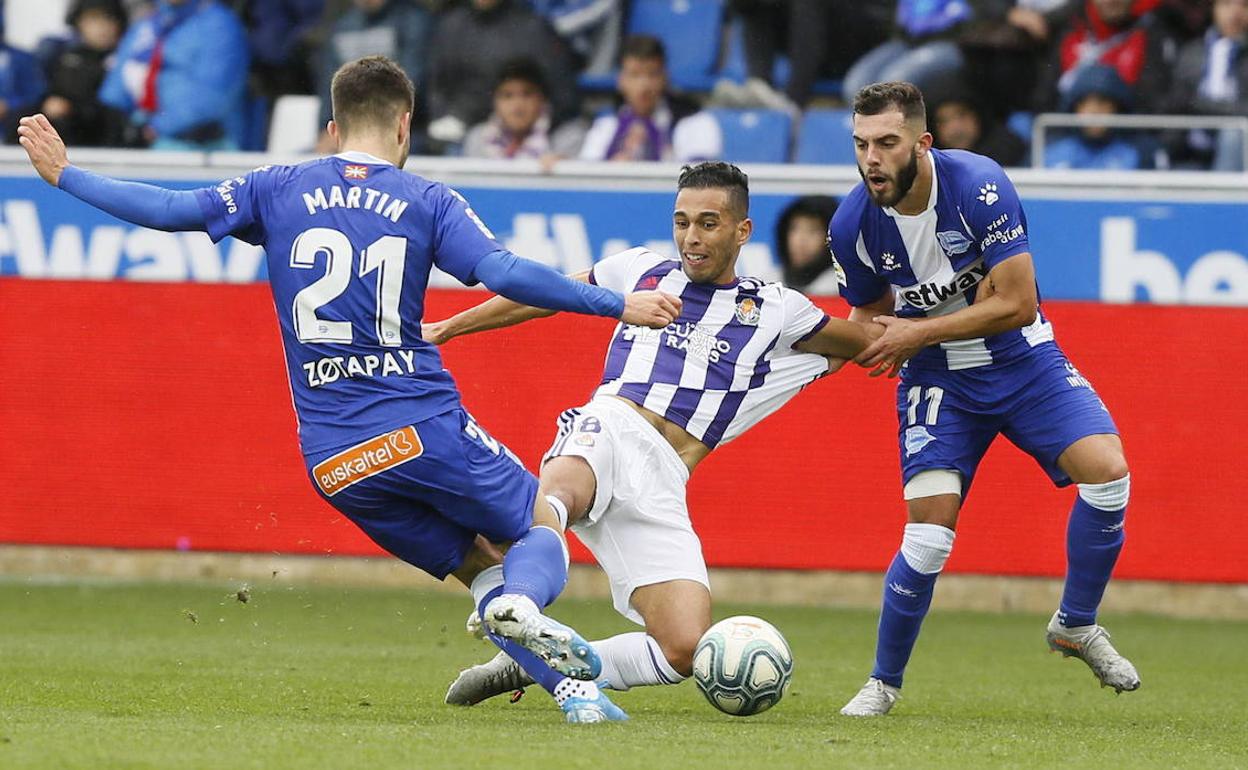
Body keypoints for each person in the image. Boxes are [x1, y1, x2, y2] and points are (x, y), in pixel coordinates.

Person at [17, 55, 685, 724]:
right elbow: (503, 271)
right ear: (406, 124)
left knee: (483, 571)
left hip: (335, 462)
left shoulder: (277, 186)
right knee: (540, 531)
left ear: (333, 128)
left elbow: (168, 209)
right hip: (422, 426)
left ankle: (576, 696)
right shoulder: (428, 200)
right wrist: (613, 303)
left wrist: (66, 175)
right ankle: (527, 609)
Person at [423, 162, 880, 709]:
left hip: (664, 477)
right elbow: (546, 294)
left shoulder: (780, 311)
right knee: (556, 499)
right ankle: (517, 604)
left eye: (709, 223)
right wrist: (449, 326)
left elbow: (871, 341)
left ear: (742, 231)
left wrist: (931, 316)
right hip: (612, 424)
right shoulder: (640, 269)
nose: (691, 236)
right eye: (682, 221)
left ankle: (526, 663)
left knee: (683, 649)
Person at [828, 82, 1139, 717]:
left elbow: (1017, 302)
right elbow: (868, 312)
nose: (871, 160)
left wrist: (916, 332)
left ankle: (1075, 624)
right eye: (861, 145)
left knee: (1108, 475)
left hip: (1024, 361)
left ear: (923, 142)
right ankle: (883, 684)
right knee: (928, 536)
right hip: (939, 380)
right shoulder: (851, 224)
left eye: (886, 143)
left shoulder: (979, 185)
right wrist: (853, 344)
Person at [97, 0, 250, 150]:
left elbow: (214, 97)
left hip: (199, 145)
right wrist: (113, 121)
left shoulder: (219, 25)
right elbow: (115, 88)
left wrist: (154, 128)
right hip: (139, 137)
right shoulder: (148, 24)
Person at [578, 35, 721, 163]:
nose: (643, 86)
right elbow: (585, 173)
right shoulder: (606, 123)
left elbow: (701, 180)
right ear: (621, 81)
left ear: (665, 78)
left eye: (652, 74)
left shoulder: (694, 120)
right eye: (635, 75)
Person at [1163, 0, 1248, 171]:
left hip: (1239, 143)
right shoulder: (1191, 52)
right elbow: (1176, 103)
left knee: (1232, 134)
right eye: (1226, 4)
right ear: (1213, 8)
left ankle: (1223, 197)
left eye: (1245, 5)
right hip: (1191, 144)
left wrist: (1203, 106)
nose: (1235, 13)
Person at [461, 58, 587, 165]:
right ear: (494, 102)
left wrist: (564, 169)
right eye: (507, 96)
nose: (517, 105)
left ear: (543, 99)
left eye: (527, 94)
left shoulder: (568, 139)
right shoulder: (477, 140)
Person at [1044, 64, 1159, 169]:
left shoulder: (1141, 152)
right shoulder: (1049, 150)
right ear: (1074, 108)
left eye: (1102, 103)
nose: (1094, 112)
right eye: (1085, 104)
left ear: (1117, 108)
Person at [775, 194, 841, 295]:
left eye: (812, 231)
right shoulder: (767, 284)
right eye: (794, 229)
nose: (800, 240)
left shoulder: (839, 290)